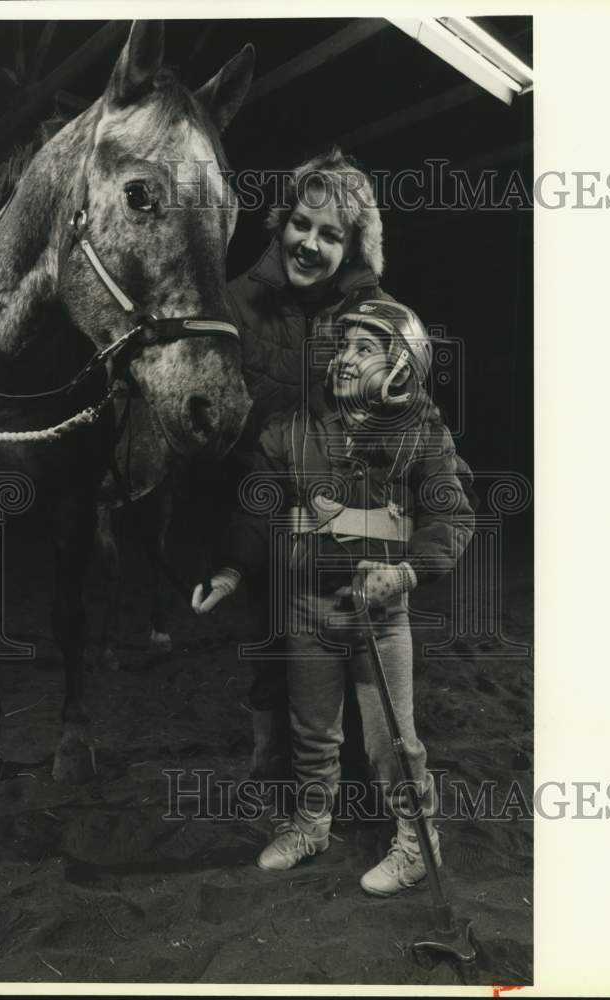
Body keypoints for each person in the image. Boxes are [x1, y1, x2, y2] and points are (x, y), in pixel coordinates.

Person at [193, 299, 475, 896]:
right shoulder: (294, 429)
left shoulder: (423, 434)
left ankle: (417, 842)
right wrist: (231, 569)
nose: (346, 359)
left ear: (403, 364)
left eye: (365, 347)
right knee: (313, 729)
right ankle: (313, 824)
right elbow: (258, 506)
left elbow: (451, 516)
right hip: (305, 607)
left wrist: (404, 573)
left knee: (390, 737)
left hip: (378, 614)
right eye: (343, 345)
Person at [224, 147, 393, 780]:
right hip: (261, 488)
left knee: (356, 627)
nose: (309, 244)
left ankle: (357, 753)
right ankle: (271, 745)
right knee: (274, 628)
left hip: (350, 506)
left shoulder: (374, 312)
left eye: (330, 235)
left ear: (351, 248)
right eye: (301, 225)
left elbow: (399, 415)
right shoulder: (236, 300)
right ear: (281, 222)